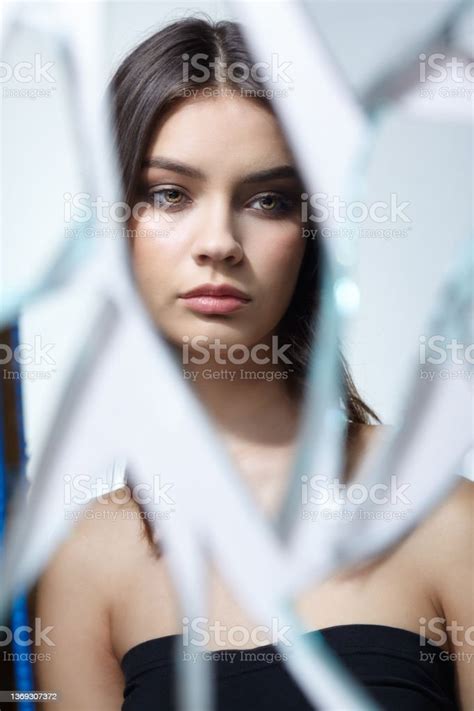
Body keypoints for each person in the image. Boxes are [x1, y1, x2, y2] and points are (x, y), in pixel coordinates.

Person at [33, 17, 472, 710]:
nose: (219, 243)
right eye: (171, 193)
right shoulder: (85, 564)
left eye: (267, 199)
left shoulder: (447, 522)